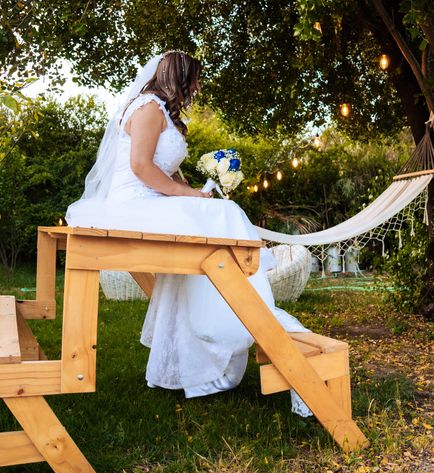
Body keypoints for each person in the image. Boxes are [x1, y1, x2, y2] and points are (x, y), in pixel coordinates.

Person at [66, 51, 311, 416]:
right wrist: (185, 195)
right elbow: (140, 167)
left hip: (154, 200)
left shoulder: (163, 114)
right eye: (193, 79)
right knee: (223, 213)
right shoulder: (147, 108)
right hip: (133, 204)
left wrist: (193, 192)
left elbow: (169, 172)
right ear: (177, 77)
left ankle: (235, 292)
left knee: (215, 210)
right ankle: (250, 271)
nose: (196, 87)